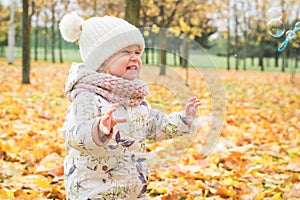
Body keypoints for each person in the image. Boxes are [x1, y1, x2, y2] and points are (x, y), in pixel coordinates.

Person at [59, 12, 201, 200]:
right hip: (93, 191)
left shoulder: (134, 98)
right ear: (101, 61)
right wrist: (99, 128)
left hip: (131, 190)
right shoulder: (87, 96)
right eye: (125, 52)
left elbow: (153, 125)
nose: (134, 57)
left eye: (137, 52)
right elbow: (73, 133)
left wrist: (184, 120)